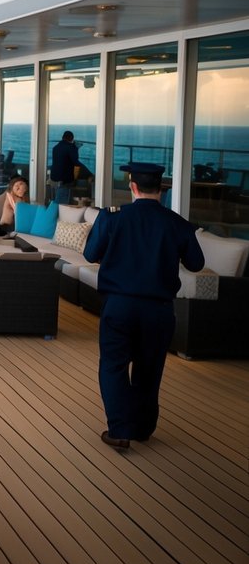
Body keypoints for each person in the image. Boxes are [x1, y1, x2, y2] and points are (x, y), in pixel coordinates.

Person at [83, 163, 204, 450]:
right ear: (161, 189)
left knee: (113, 365)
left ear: (132, 186)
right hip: (159, 310)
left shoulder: (112, 218)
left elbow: (90, 254)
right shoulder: (177, 223)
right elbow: (196, 264)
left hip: (119, 306)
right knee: (150, 369)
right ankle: (143, 428)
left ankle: (120, 430)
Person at [50, 130, 80, 204]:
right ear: (71, 139)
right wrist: (75, 148)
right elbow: (75, 160)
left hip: (54, 177)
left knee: (57, 200)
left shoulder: (56, 148)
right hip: (64, 179)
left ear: (62, 137)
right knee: (62, 204)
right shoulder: (70, 147)